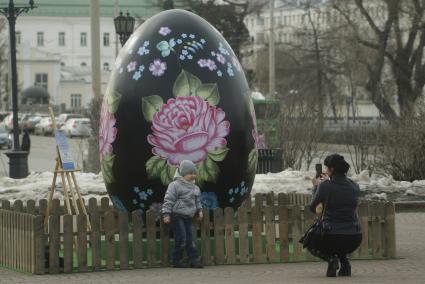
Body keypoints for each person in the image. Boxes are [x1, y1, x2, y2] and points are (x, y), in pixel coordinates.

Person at [309, 154, 362, 277]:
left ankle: (331, 259)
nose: (326, 171)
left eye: (327, 168)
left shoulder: (325, 186)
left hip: (332, 236)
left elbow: (313, 208)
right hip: (354, 237)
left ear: (332, 169)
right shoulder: (355, 185)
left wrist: (316, 187)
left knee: (309, 240)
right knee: (340, 240)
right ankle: (345, 263)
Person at [162, 160, 203, 268]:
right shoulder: (174, 185)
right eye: (190, 173)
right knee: (182, 239)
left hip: (188, 217)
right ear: (183, 174)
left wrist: (200, 211)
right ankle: (176, 260)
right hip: (177, 215)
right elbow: (169, 199)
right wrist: (166, 214)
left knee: (190, 239)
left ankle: (193, 260)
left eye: (194, 173)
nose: (193, 175)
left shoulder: (195, 188)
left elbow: (198, 201)